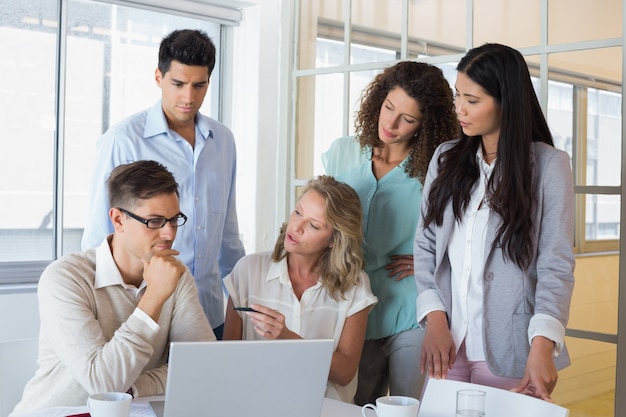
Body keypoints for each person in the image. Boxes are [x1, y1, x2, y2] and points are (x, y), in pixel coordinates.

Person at [414, 43, 575, 401]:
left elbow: (556, 265)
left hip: (511, 350)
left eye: (472, 100)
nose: (459, 109)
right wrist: (434, 317)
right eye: (458, 96)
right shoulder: (445, 159)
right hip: (447, 345)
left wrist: (543, 344)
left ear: (507, 102)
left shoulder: (549, 166)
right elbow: (425, 245)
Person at [11, 160, 215, 416]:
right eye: (155, 221)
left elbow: (202, 365)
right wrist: (154, 297)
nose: (169, 233)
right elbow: (104, 384)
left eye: (174, 219)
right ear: (118, 219)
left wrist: (134, 387)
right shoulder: (66, 277)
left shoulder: (177, 275)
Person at [81, 29, 245, 339]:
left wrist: (244, 302)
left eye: (199, 85)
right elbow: (97, 235)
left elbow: (228, 234)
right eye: (178, 84)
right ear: (158, 77)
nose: (189, 97)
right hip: (145, 314)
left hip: (209, 313)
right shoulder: (123, 140)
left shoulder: (223, 141)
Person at [322, 61, 459, 404]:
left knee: (407, 407)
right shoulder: (343, 152)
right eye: (388, 108)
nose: (391, 124)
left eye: (408, 119)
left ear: (425, 124)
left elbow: (463, 234)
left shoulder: (438, 169)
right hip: (354, 308)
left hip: (409, 307)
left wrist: (432, 261)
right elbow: (319, 214)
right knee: (358, 406)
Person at [222, 175, 378, 403]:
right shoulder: (247, 271)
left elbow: (345, 373)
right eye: (298, 212)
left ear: (334, 240)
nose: (297, 227)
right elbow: (227, 362)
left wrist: (287, 337)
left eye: (314, 225)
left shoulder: (354, 284)